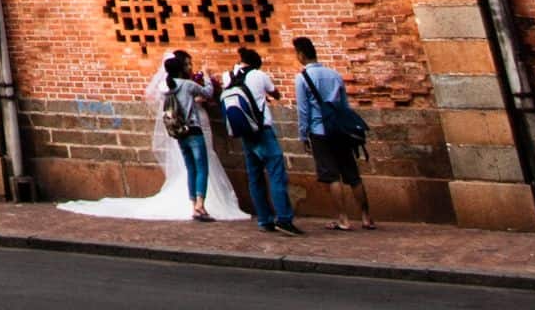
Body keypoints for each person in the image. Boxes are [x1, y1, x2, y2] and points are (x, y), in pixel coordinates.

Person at [61, 49, 246, 223]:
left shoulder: (166, 88)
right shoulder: (188, 85)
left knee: (190, 168)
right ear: (182, 69)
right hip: (194, 130)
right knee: (201, 167)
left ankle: (192, 205)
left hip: (179, 133)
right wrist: (205, 75)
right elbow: (207, 92)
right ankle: (200, 205)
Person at [292, 36, 374, 231]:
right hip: (340, 129)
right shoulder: (334, 75)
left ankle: (343, 218)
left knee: (331, 176)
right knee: (353, 175)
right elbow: (344, 106)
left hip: (319, 131)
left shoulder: (302, 78)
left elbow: (303, 111)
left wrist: (303, 135)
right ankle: (366, 217)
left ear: (301, 55)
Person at [223, 47, 300, 235]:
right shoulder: (259, 75)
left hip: (244, 131)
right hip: (262, 130)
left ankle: (264, 220)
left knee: (255, 177)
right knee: (276, 174)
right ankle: (283, 219)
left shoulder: (229, 76)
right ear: (257, 63)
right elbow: (276, 93)